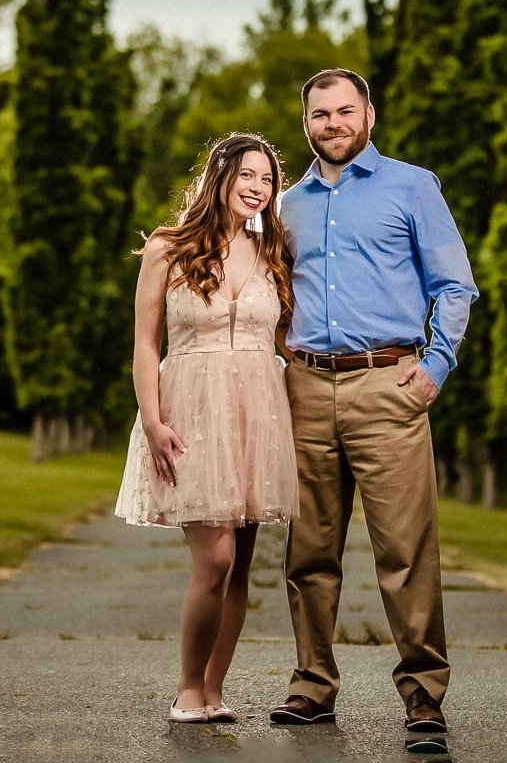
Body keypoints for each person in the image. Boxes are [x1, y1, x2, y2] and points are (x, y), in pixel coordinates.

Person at [269, 68, 477, 734]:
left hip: (387, 384)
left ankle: (423, 692)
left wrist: (435, 366)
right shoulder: (285, 204)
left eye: (344, 111)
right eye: (320, 114)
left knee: (405, 548)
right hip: (302, 386)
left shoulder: (412, 186)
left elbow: (455, 284)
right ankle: (312, 684)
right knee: (308, 550)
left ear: (369, 116)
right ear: (305, 124)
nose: (333, 124)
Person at [114, 133, 300, 724]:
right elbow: (146, 344)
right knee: (215, 557)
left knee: (241, 562)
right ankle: (188, 688)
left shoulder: (272, 249)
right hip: (191, 408)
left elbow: (288, 343)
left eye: (268, 180)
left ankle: (214, 691)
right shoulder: (167, 248)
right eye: (248, 174)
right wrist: (152, 419)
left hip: (258, 412)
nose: (258, 188)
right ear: (219, 177)